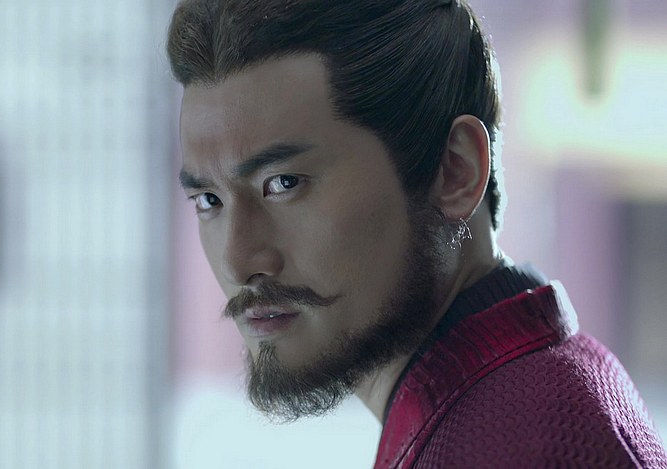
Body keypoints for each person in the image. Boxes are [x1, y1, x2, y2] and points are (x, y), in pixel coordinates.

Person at [167, 0, 667, 467]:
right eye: (209, 200)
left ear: (456, 170)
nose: (238, 259)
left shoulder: (526, 445)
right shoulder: (519, 396)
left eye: (284, 184)